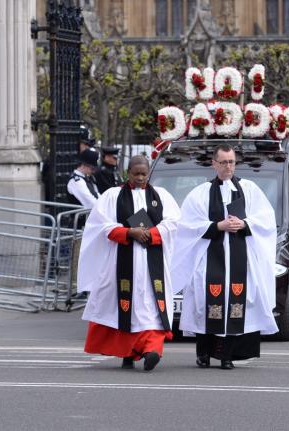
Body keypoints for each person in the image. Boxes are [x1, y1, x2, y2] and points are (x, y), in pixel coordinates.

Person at [171, 144, 278, 370]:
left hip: (240, 260)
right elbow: (187, 226)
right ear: (214, 164)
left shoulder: (249, 189)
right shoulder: (200, 193)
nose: (228, 166)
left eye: (231, 162)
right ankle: (203, 354)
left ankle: (228, 355)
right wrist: (217, 225)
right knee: (205, 305)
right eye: (223, 162)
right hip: (210, 259)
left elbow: (266, 219)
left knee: (236, 305)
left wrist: (245, 223)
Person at [77, 155, 181, 371]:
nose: (141, 178)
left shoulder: (161, 196)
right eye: (136, 174)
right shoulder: (112, 196)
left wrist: (151, 233)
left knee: (152, 308)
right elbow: (100, 225)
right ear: (128, 173)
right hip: (121, 262)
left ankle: (151, 350)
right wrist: (129, 232)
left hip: (153, 264)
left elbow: (174, 223)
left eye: (144, 174)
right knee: (123, 307)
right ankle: (127, 353)